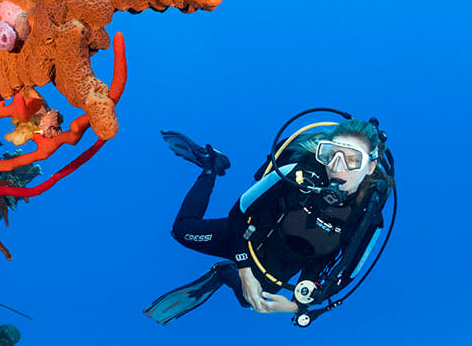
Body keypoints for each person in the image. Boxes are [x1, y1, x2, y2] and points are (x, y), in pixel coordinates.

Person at [144, 115, 395, 327]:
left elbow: (345, 276)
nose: (337, 167)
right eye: (331, 155)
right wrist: (244, 269)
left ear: (370, 167)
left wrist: (298, 304)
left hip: (282, 265)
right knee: (182, 231)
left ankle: (224, 273)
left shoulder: (367, 217)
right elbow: (240, 213)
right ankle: (211, 166)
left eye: (352, 160)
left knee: (251, 302)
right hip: (247, 235)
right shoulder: (297, 174)